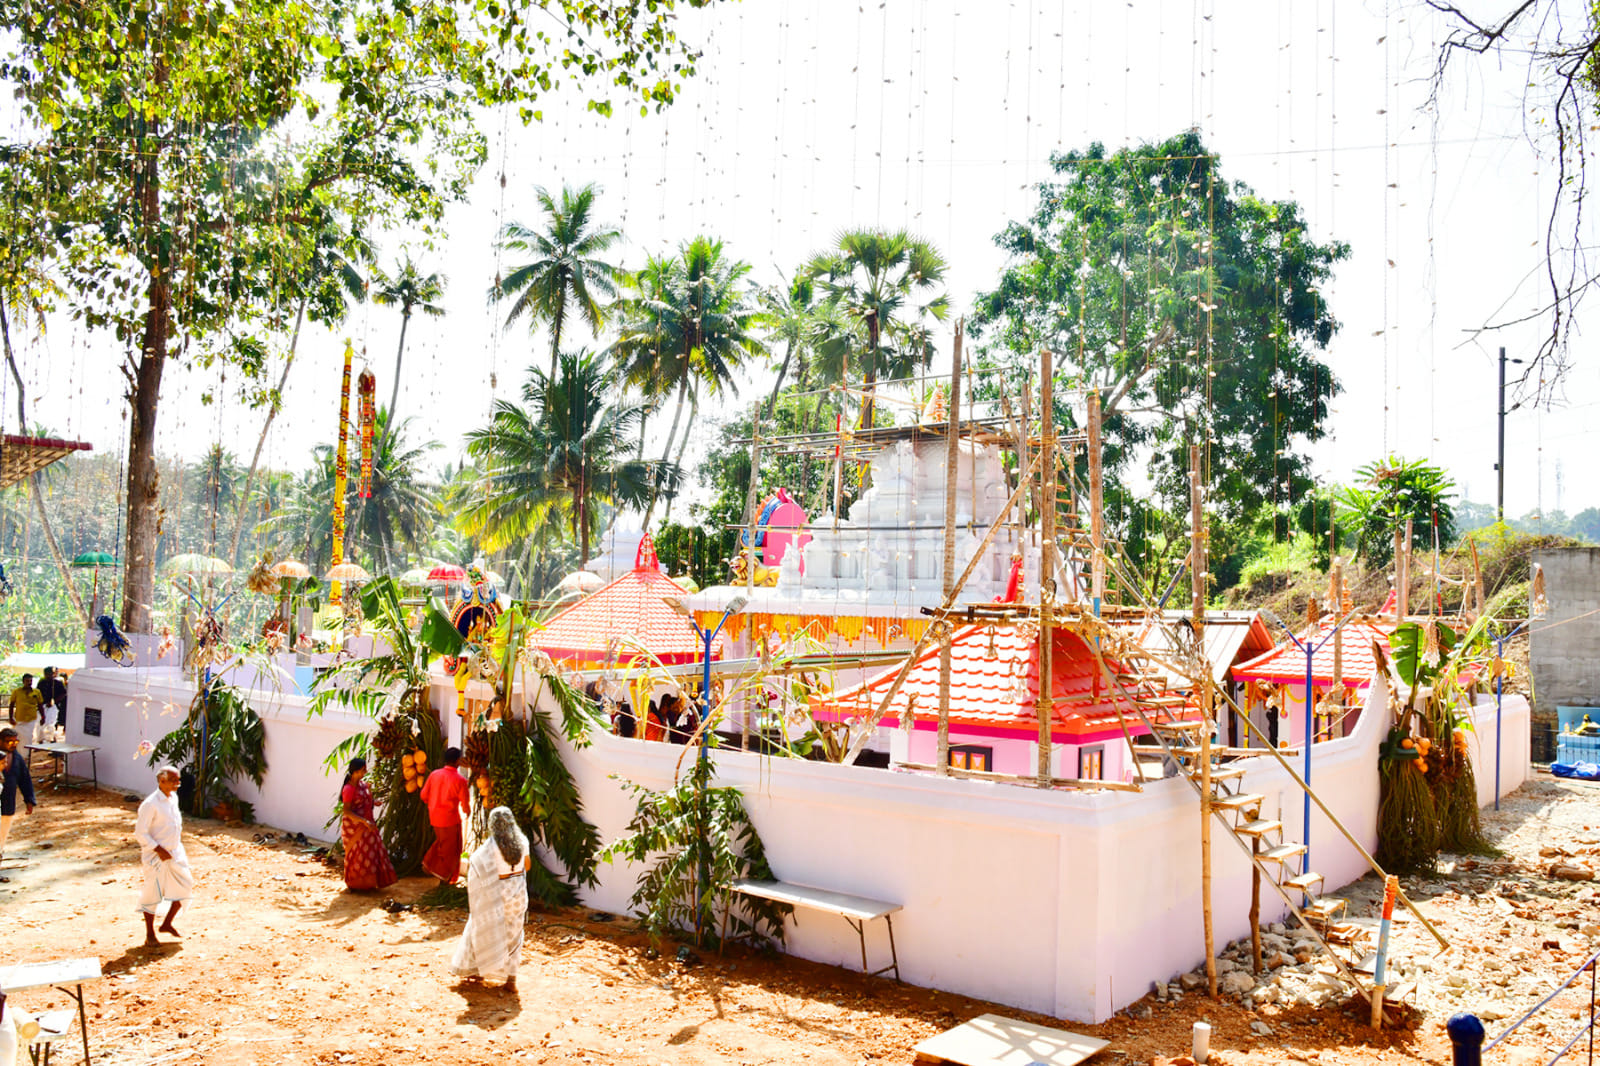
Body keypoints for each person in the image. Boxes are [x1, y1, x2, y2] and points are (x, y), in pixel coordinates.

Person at [450, 806, 530, 991]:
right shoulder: (523, 841)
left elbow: (475, 866)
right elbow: (527, 865)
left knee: (481, 928)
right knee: (514, 935)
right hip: (517, 893)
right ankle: (511, 980)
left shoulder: (490, 846)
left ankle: (474, 970)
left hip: (497, 894)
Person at [135, 767, 192, 945]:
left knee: (186, 886)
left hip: (175, 852)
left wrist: (172, 849)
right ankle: (149, 934)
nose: (178, 783)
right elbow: (140, 833)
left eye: (178, 780)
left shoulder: (173, 798)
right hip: (156, 856)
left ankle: (167, 924)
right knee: (153, 893)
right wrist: (158, 849)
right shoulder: (150, 804)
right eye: (174, 780)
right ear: (162, 781)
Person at [339, 758, 396, 891]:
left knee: (370, 853)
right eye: (363, 770)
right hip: (355, 827)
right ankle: (356, 884)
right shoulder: (348, 789)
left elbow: (364, 801)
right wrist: (363, 821)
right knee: (357, 854)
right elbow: (346, 811)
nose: (365, 772)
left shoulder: (363, 785)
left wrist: (373, 802)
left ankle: (369, 883)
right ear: (356, 771)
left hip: (368, 824)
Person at [419, 747, 470, 885]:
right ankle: (443, 877)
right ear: (458, 761)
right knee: (452, 850)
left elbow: (423, 795)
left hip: (434, 817)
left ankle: (430, 865)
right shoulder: (460, 780)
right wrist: (468, 811)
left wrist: (434, 802)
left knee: (443, 843)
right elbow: (465, 805)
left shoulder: (434, 774)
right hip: (450, 820)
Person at [0, 729, 35, 865]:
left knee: (2, 836)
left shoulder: (17, 758)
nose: (13, 744)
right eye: (9, 742)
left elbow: (25, 779)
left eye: (15, 741)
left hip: (8, 804)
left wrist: (29, 800)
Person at [6, 675, 42, 749]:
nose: (29, 683)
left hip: (31, 719)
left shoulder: (37, 692)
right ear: (23, 682)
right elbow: (11, 705)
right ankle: (19, 754)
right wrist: (10, 717)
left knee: (28, 736)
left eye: (30, 681)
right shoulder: (16, 691)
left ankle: (26, 756)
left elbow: (40, 705)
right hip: (19, 718)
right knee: (18, 736)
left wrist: (43, 716)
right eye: (27, 681)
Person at [38, 668, 67, 733]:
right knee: (42, 723)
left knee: (51, 723)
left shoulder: (58, 683)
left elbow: (63, 694)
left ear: (53, 674)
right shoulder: (42, 683)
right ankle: (42, 739)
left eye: (49, 674)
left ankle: (51, 738)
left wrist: (53, 701)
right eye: (46, 674)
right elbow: (38, 693)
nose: (48, 676)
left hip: (54, 706)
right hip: (43, 706)